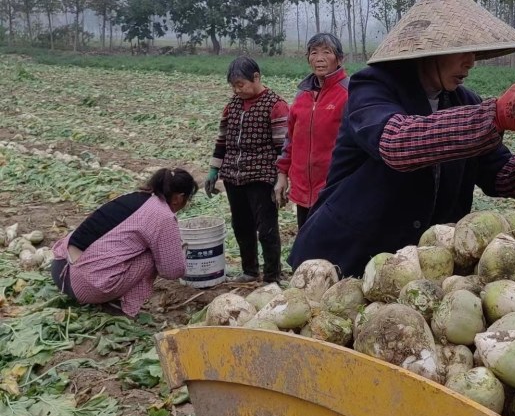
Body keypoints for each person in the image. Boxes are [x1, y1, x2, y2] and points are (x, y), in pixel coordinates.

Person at [288, 0, 515, 279]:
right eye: (461, 51)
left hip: (417, 271)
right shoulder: (372, 88)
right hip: (343, 260)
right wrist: (495, 116)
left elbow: (500, 174)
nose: (470, 62)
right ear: (430, 51)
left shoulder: (465, 101)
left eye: (475, 53)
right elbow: (397, 142)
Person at [50, 167, 198, 317]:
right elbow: (172, 271)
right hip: (84, 285)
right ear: (178, 198)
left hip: (60, 268)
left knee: (139, 246)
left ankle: (107, 289)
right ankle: (120, 304)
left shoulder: (136, 197)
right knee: (153, 256)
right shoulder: (162, 215)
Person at [205, 57, 289, 283]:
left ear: (256, 78)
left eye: (240, 84)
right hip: (233, 175)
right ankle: (249, 271)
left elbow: (284, 147)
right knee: (241, 226)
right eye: (233, 85)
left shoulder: (275, 105)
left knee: (267, 229)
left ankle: (272, 277)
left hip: (262, 176)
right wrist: (214, 170)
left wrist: (283, 177)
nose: (237, 89)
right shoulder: (232, 105)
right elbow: (222, 140)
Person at [274, 33, 349, 229]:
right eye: (314, 53)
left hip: (334, 191)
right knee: (307, 250)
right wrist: (282, 174)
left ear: (339, 58)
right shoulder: (302, 95)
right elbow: (290, 139)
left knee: (330, 252)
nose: (319, 58)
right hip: (302, 190)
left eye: (327, 52)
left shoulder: (349, 94)